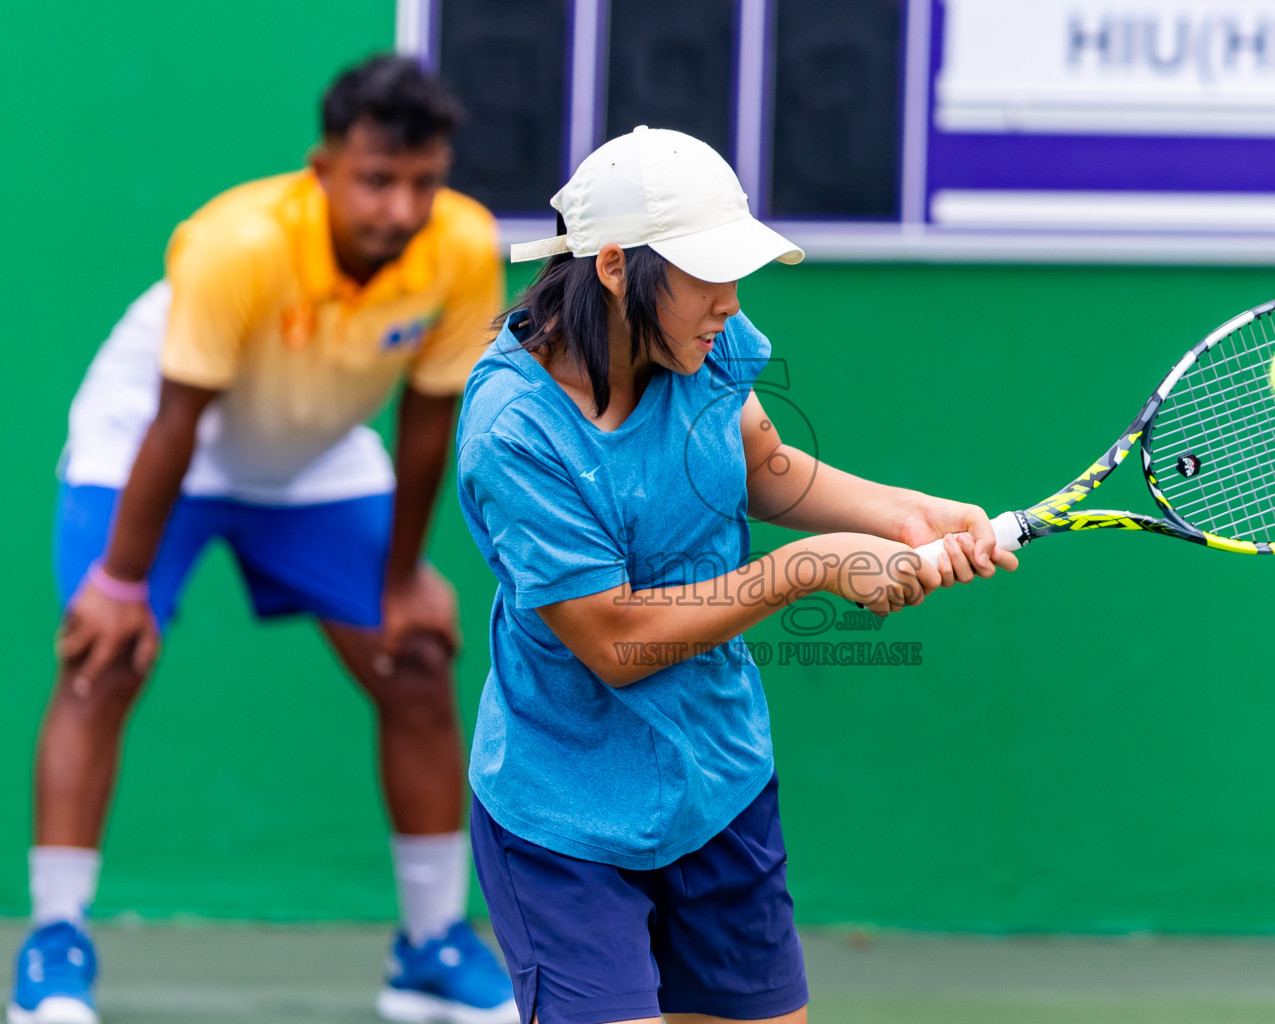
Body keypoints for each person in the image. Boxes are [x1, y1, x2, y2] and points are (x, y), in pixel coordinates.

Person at [456, 125, 1019, 1024]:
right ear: (613, 267)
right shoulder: (515, 434)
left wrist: (910, 516)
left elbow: (759, 465)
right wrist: (809, 568)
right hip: (565, 822)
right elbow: (616, 640)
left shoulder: (696, 337)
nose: (728, 300)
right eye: (705, 275)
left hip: (718, 786)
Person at [13, 56, 517, 1024]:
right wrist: (119, 583)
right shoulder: (234, 243)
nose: (403, 206)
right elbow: (177, 420)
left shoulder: (462, 245)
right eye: (378, 178)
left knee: (413, 663)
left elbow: (424, 420)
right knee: (101, 663)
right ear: (321, 168)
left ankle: (427, 947)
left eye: (424, 179)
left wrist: (406, 576)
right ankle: (57, 942)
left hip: (317, 451)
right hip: (155, 442)